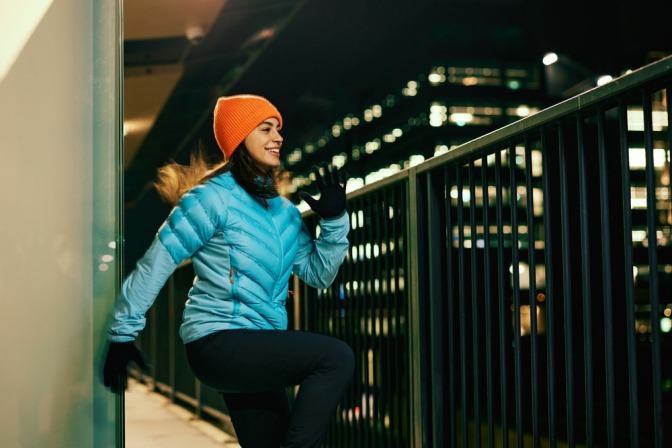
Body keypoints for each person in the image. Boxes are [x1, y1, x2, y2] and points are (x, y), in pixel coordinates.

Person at [103, 94, 354, 448]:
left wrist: (333, 222)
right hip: (218, 341)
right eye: (266, 128)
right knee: (335, 358)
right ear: (239, 138)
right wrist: (122, 333)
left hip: (260, 343)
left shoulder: (284, 212)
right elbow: (157, 263)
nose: (278, 137)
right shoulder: (210, 199)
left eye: (278, 129)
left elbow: (318, 274)